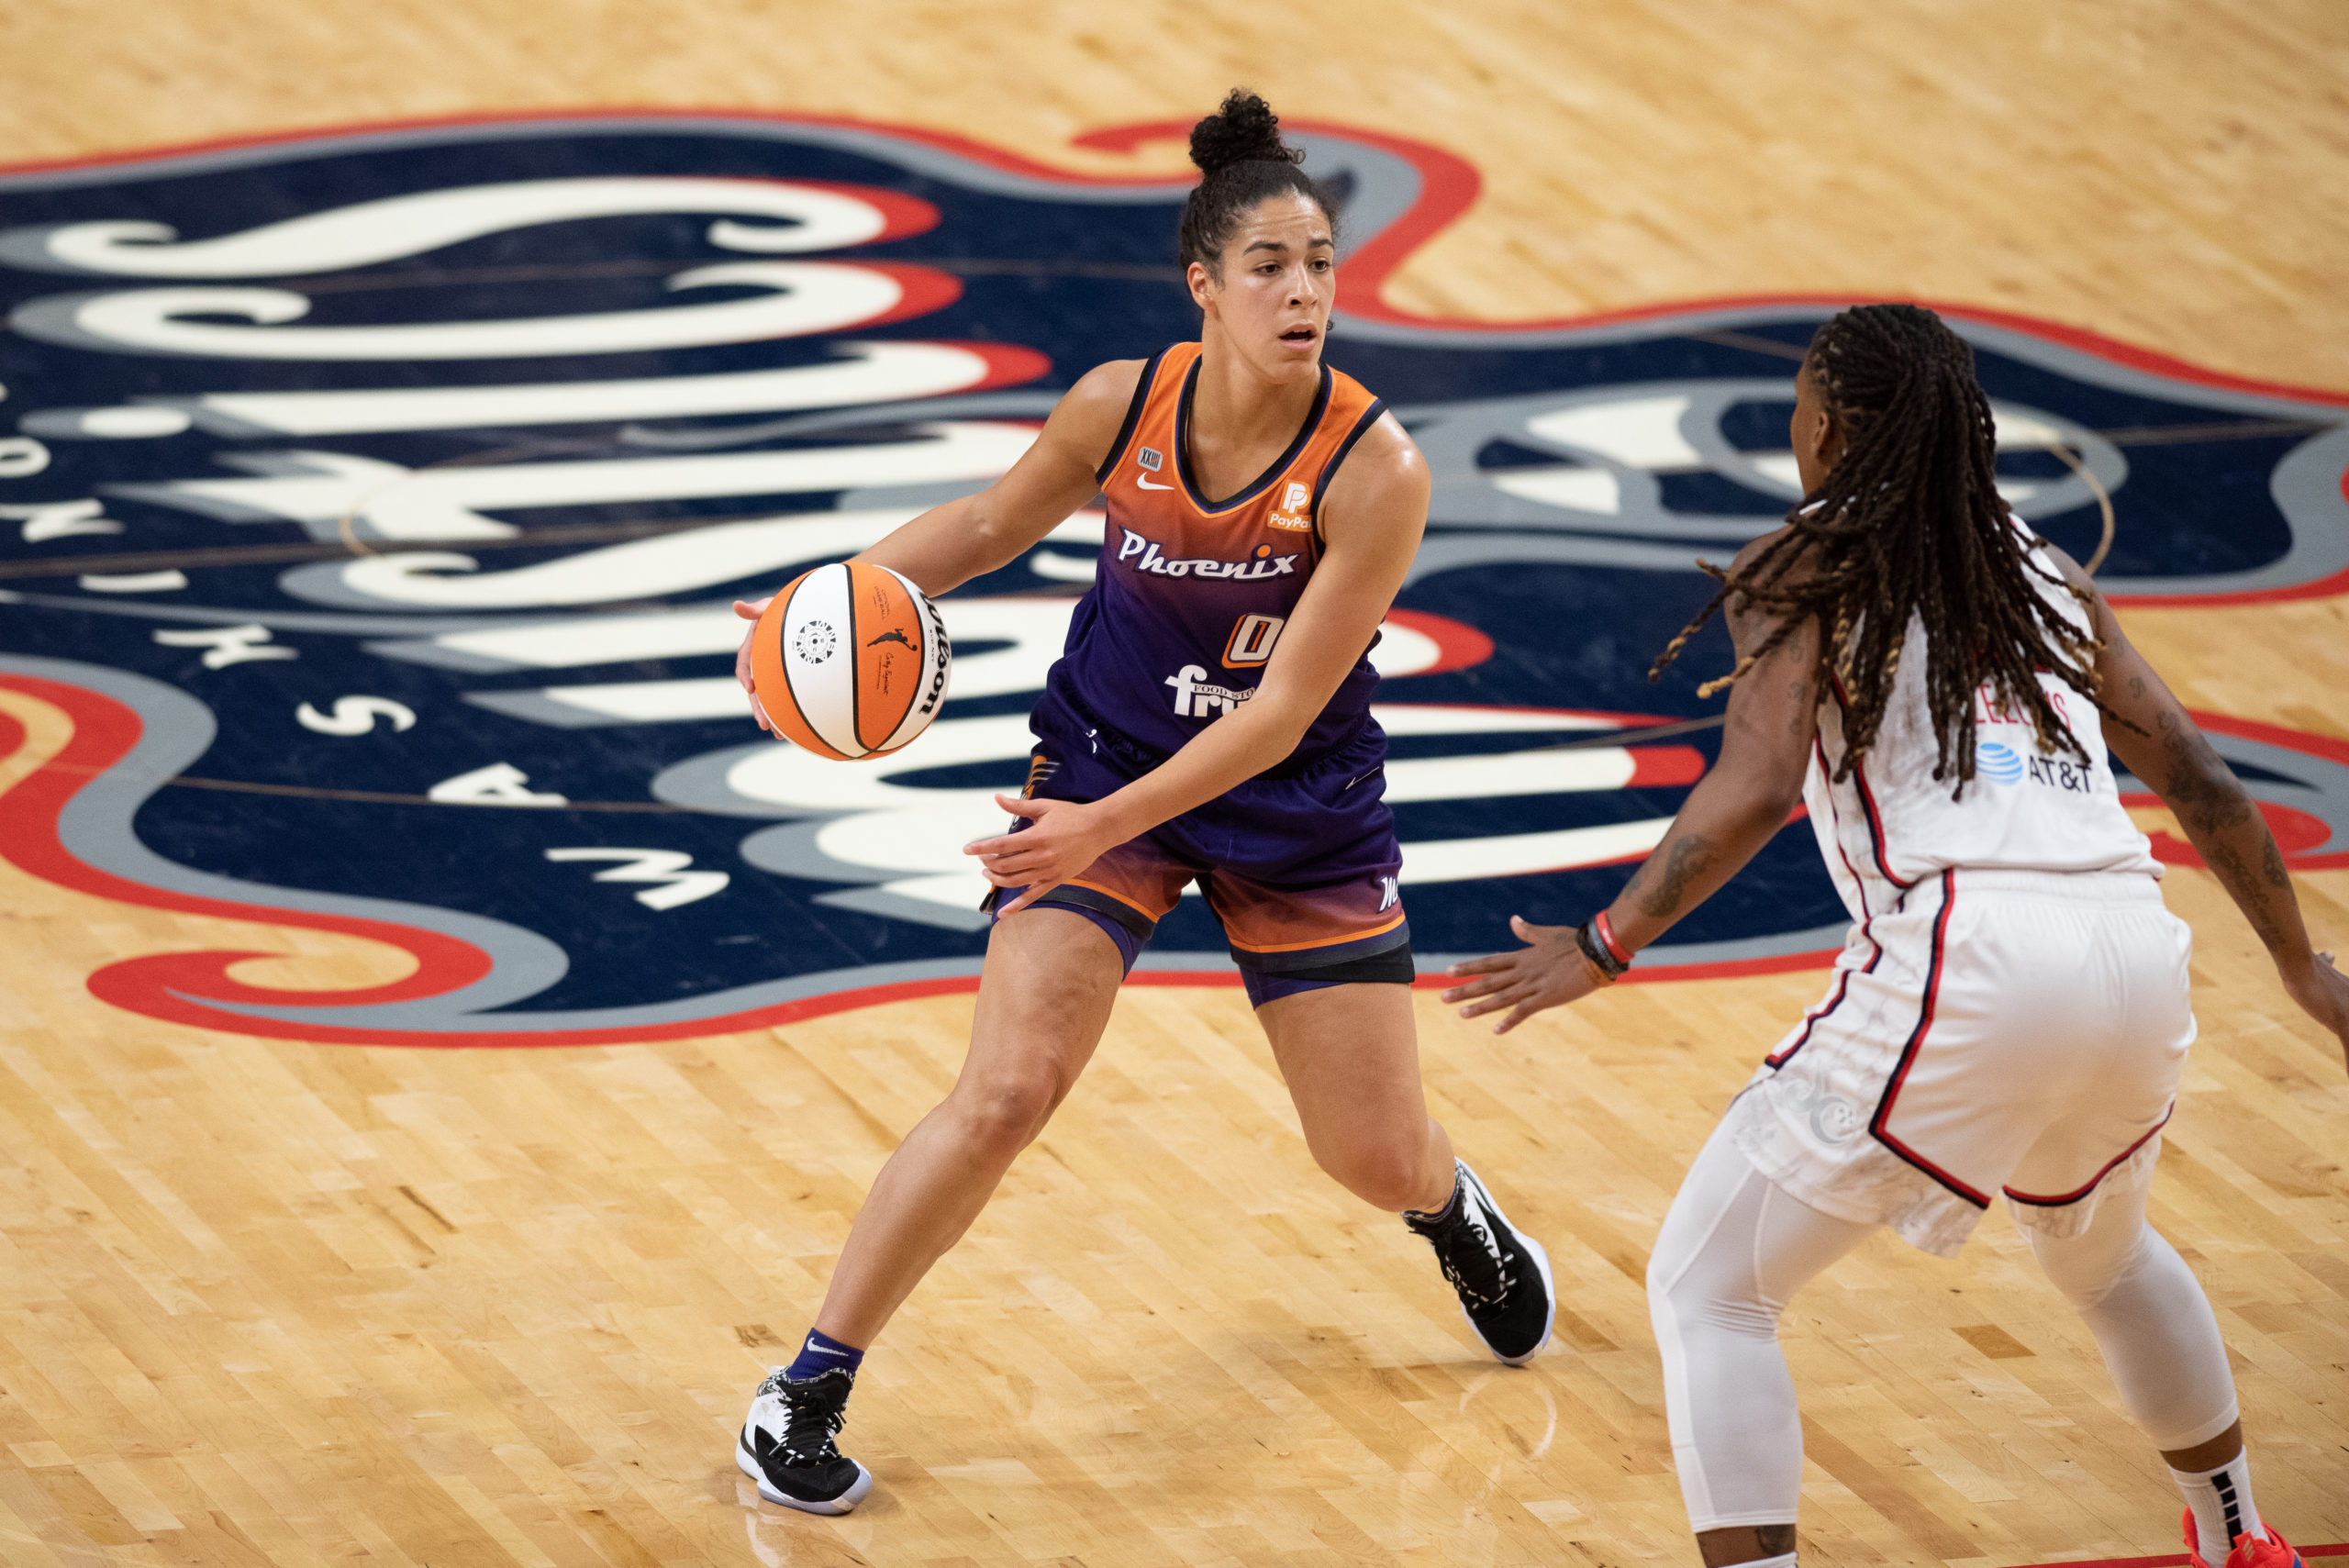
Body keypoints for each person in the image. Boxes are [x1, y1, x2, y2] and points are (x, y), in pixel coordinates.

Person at [725, 90, 1555, 1516]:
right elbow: (983, 529)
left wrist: (1101, 828)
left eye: (1321, 265)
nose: (1305, 293)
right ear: (1206, 286)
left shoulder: (1379, 471)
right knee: (1005, 1087)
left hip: (1297, 806)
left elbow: (1285, 708)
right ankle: (805, 1384)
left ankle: (1446, 1204)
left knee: (1365, 1154)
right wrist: (824, 607)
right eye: (1270, 267)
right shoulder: (1121, 406)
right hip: (1105, 764)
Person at [1442, 303, 2348, 1568]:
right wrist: (2303, 966)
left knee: (1710, 1287)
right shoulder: (2045, 576)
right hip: (2135, 950)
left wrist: (1604, 940)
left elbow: (1754, 785)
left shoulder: (1805, 564)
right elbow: (2201, 776)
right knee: (2106, 1252)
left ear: (1822, 429)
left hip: (1972, 955)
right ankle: (2240, 1534)